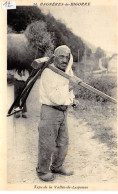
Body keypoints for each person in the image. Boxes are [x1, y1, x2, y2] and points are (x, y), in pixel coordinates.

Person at [36, 45, 79, 182]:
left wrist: (72, 100)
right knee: (47, 143)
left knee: (63, 142)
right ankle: (42, 171)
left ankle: (57, 166)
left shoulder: (67, 70)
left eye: (67, 57)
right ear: (55, 57)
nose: (65, 60)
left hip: (62, 111)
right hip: (50, 111)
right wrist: (71, 85)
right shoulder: (48, 72)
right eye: (61, 56)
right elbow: (56, 97)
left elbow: (67, 92)